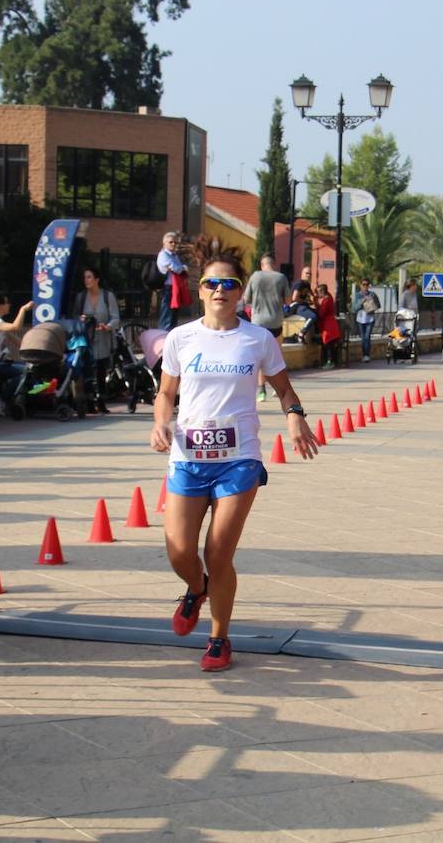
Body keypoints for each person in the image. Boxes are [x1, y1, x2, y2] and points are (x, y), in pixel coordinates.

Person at [150, 254, 318, 671]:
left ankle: (219, 638)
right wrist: (160, 423)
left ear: (241, 291)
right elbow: (166, 393)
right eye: (211, 284)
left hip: (238, 458)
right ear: (200, 290)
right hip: (188, 458)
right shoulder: (180, 338)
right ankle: (195, 588)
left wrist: (295, 419)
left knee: (218, 552)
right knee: (178, 551)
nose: (220, 291)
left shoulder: (258, 339)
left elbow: (284, 391)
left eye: (229, 284)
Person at [71, 267, 120, 415]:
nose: (86, 280)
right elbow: (74, 318)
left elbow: (116, 318)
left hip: (103, 337)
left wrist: (108, 326)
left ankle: (101, 401)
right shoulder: (81, 297)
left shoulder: (107, 296)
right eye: (85, 277)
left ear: (97, 280)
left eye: (89, 277)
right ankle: (89, 402)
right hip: (86, 339)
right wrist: (81, 320)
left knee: (100, 370)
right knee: (88, 371)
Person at [0, 293, 34, 417]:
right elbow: (15, 327)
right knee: (25, 371)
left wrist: (34, 350)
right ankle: (2, 400)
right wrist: (23, 309)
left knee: (30, 367)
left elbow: (17, 341)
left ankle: (19, 402)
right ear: (0, 306)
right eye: (6, 302)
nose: (9, 305)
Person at [245, 255, 289, 402]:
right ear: (273, 264)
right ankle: (278, 388)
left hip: (258, 322)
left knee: (259, 358)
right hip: (275, 322)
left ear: (262, 264)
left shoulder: (255, 276)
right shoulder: (281, 277)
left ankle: (261, 391)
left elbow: (246, 299)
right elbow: (288, 300)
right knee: (277, 356)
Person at [156, 232, 188, 331]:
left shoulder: (174, 256)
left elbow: (179, 268)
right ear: (164, 243)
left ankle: (171, 334)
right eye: (171, 242)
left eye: (175, 242)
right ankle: (163, 336)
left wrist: (181, 268)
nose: (173, 244)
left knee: (173, 315)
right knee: (167, 315)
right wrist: (182, 268)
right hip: (167, 289)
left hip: (175, 288)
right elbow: (176, 268)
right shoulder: (163, 255)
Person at [352, 279, 381, 362]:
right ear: (361, 285)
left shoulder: (372, 294)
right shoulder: (358, 295)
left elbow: (378, 305)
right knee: (363, 338)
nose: (365, 286)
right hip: (360, 319)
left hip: (370, 319)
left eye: (367, 284)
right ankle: (364, 354)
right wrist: (362, 302)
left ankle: (366, 355)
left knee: (367, 337)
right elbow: (354, 308)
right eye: (363, 284)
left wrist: (372, 302)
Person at [315, 283, 341, 369]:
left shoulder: (326, 301)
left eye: (318, 292)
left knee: (328, 343)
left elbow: (321, 314)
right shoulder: (329, 298)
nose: (318, 294)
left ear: (322, 292)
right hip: (332, 324)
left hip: (328, 325)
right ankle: (331, 361)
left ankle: (330, 361)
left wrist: (316, 305)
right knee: (330, 344)